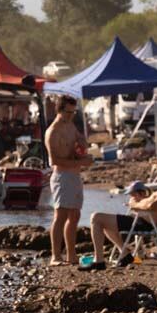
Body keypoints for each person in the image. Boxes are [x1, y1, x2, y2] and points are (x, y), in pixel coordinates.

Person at [84, 158, 157, 270]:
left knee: (96, 217)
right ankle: (124, 254)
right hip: (146, 221)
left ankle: (99, 260)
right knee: (103, 222)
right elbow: (151, 202)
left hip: (145, 223)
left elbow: (151, 204)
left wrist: (134, 204)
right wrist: (142, 202)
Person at [46, 94, 91, 266]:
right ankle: (55, 256)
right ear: (60, 109)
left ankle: (71, 255)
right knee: (61, 214)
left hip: (74, 175)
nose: (71, 115)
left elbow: (79, 139)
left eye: (74, 112)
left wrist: (81, 143)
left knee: (75, 215)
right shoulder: (53, 131)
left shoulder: (70, 124)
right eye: (68, 112)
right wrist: (81, 162)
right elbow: (55, 161)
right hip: (62, 176)